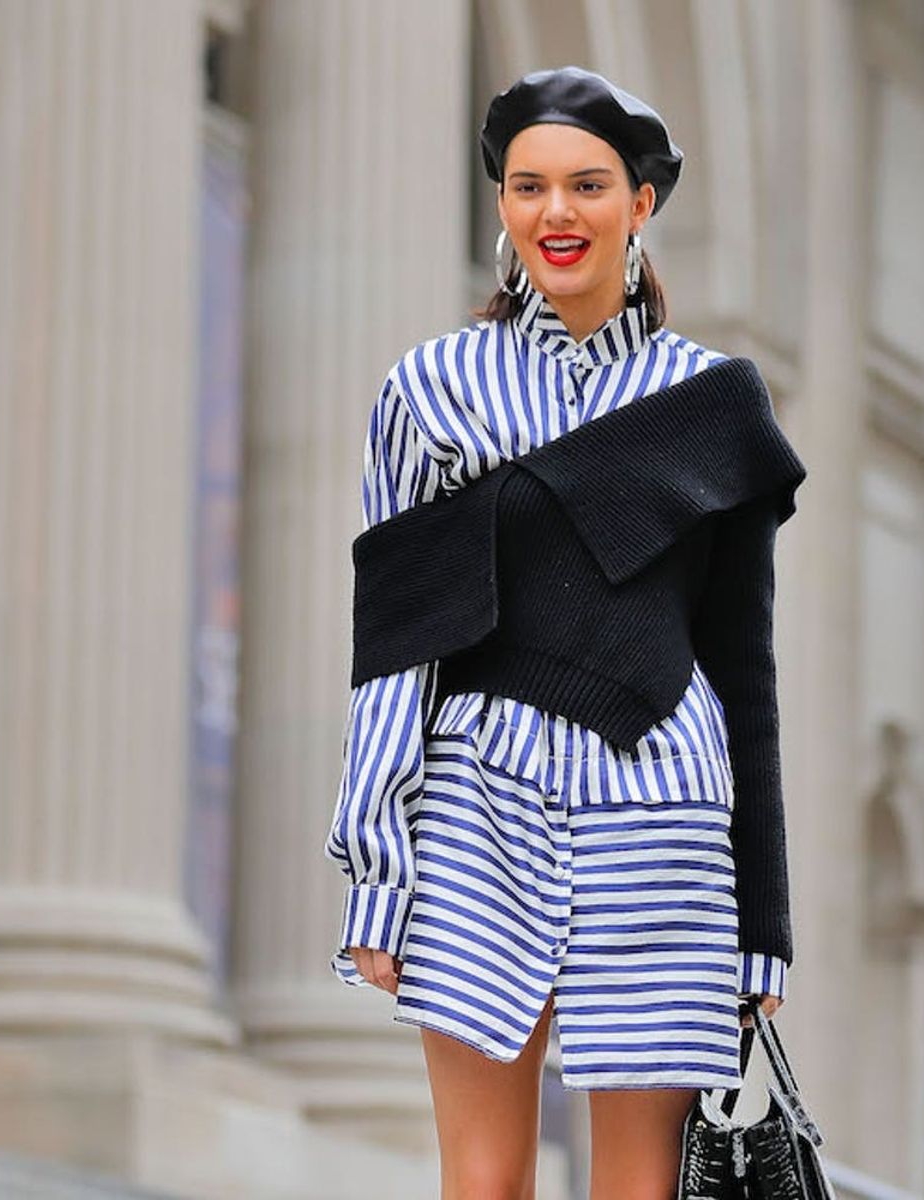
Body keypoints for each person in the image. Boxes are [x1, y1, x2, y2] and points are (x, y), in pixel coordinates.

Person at [323, 65, 806, 1200]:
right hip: (476, 799)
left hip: (666, 812)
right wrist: (376, 876)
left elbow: (745, 667)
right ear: (502, 205)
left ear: (641, 204)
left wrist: (763, 923)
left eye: (587, 185)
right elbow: (400, 650)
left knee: (638, 1188)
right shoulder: (430, 390)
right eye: (528, 186)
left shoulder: (716, 402)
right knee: (482, 1181)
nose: (556, 214)